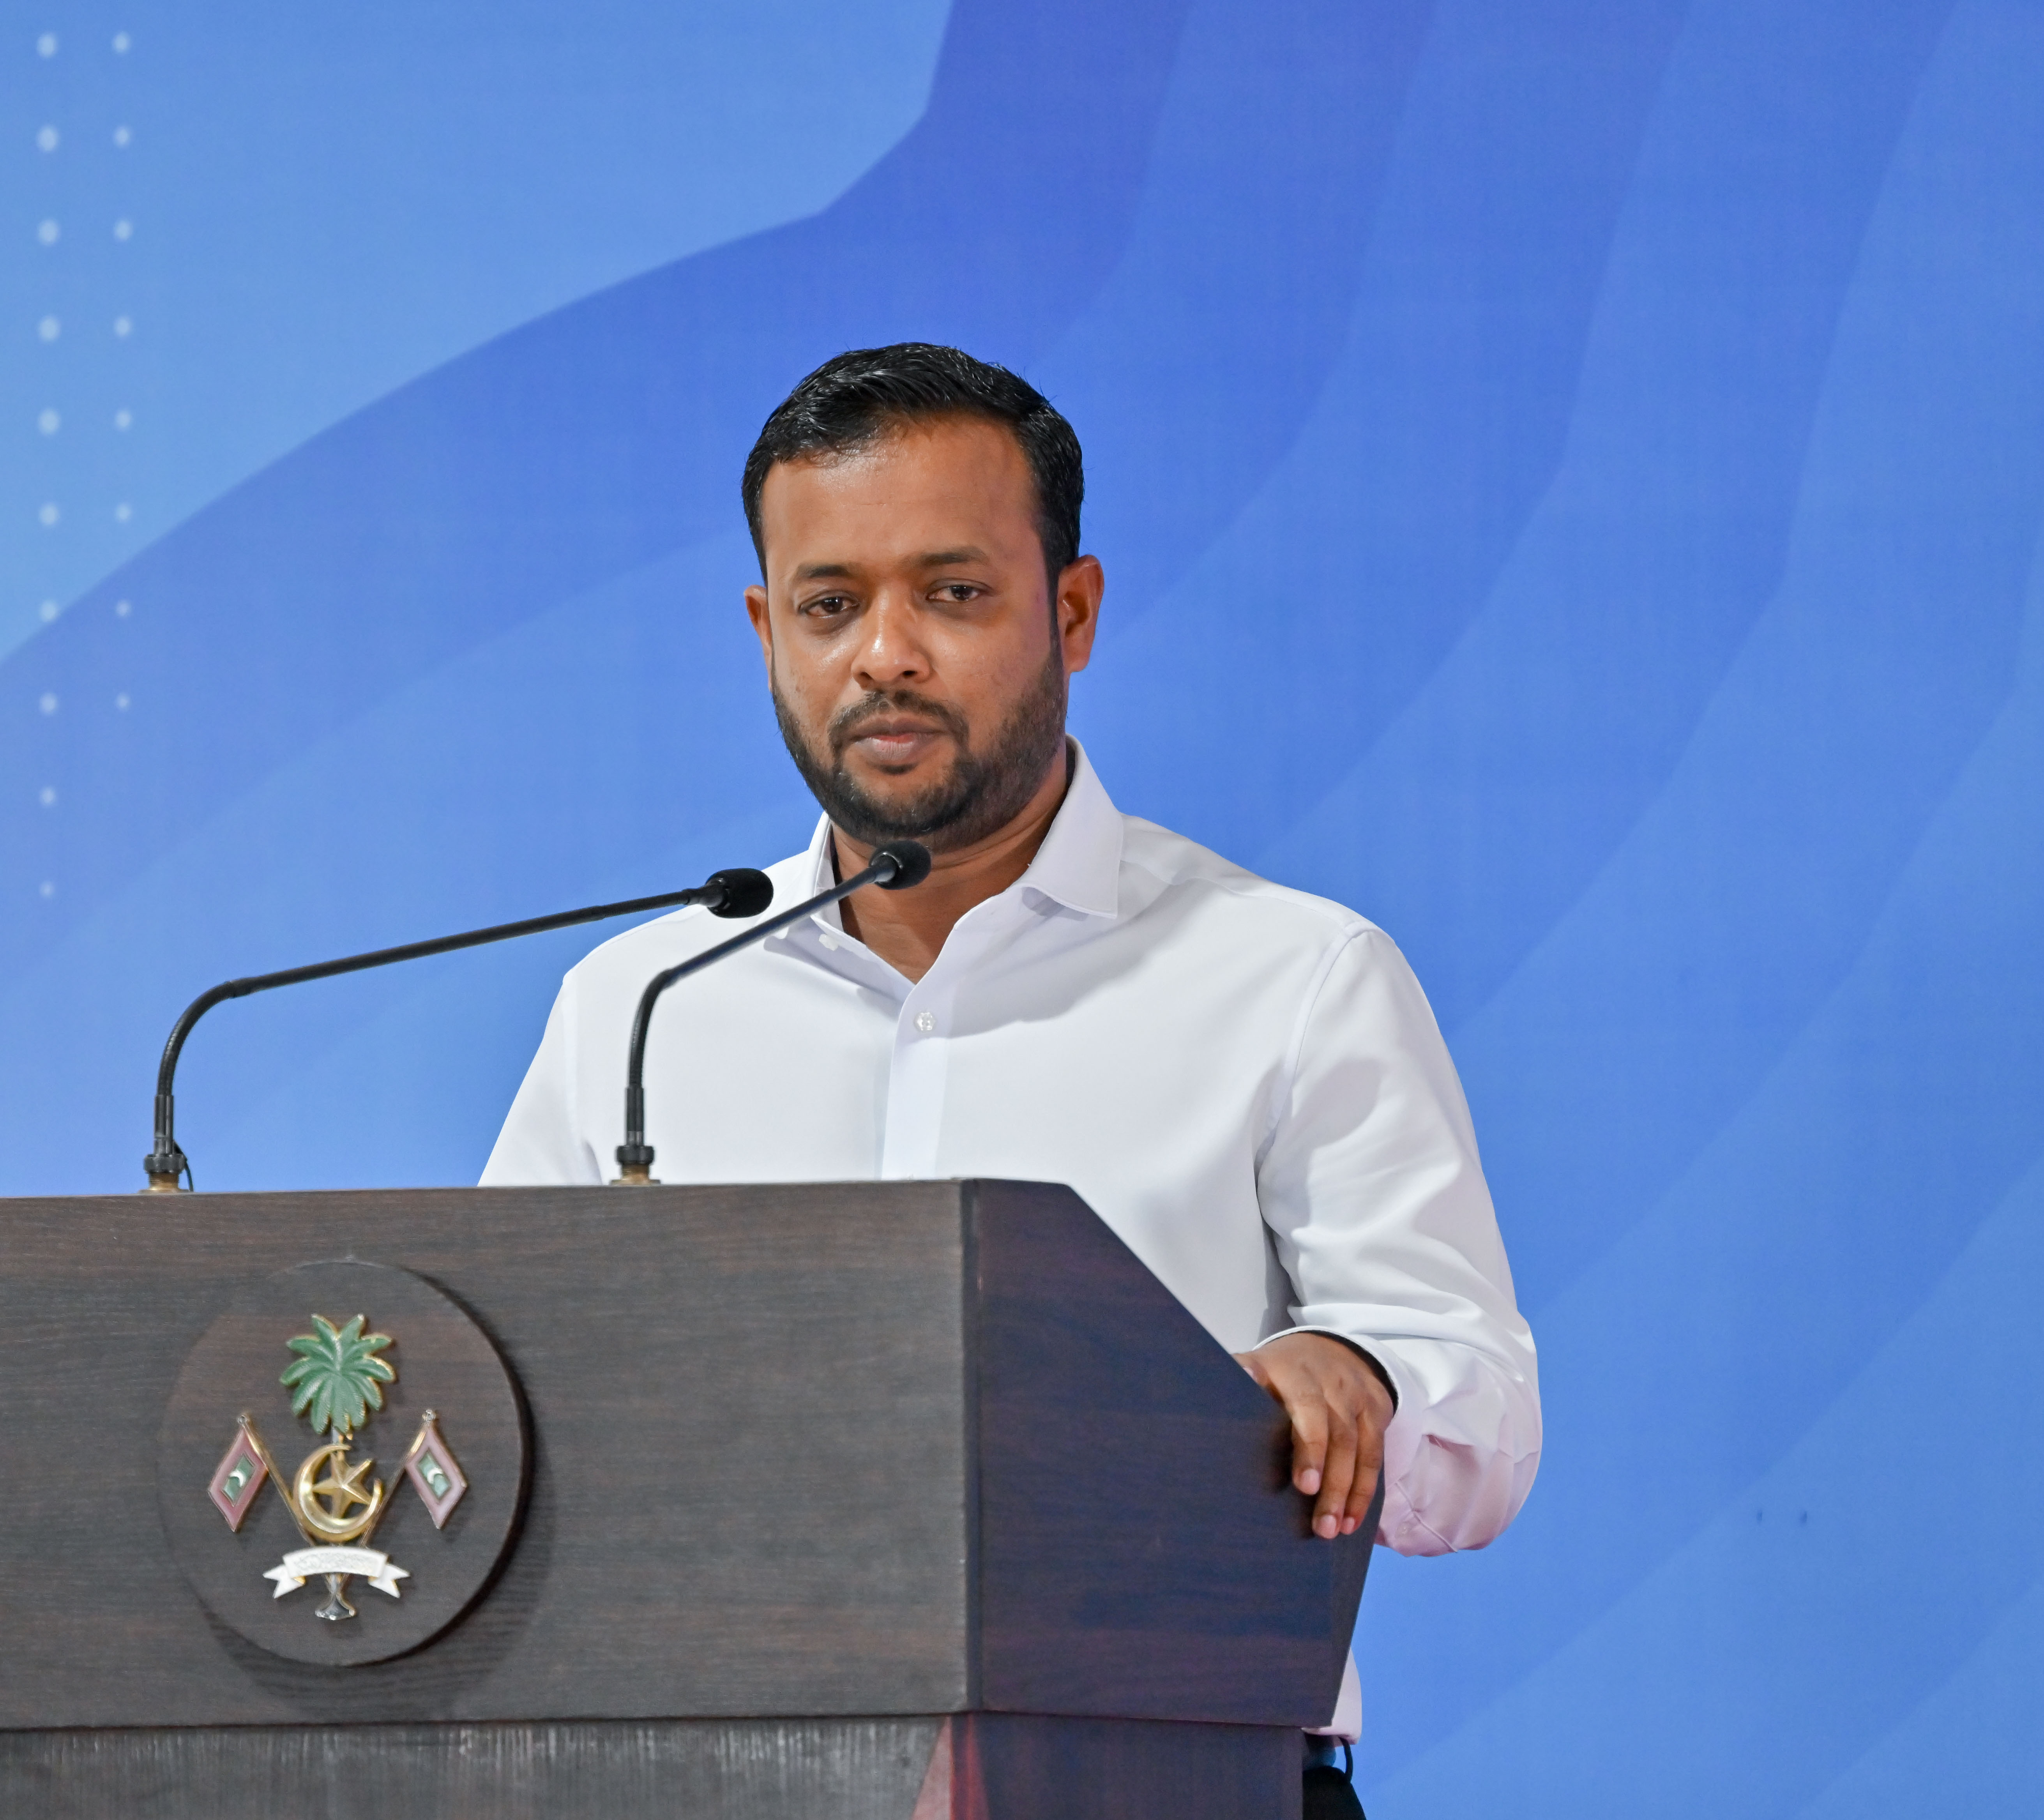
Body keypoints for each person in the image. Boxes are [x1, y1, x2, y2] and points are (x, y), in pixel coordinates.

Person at [481, 343, 1540, 1819]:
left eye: (953, 594)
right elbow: (487, 1412)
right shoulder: (643, 1008)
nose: (885, 655)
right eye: (829, 604)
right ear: (764, 629)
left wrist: (1360, 1383)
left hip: (1172, 1785)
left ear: (1076, 611)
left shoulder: (1289, 975)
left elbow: (1480, 1410)